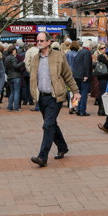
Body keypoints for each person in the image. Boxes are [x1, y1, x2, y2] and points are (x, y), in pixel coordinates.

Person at [29, 32, 80, 167]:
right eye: (37, 41)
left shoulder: (59, 56)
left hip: (55, 97)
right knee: (51, 125)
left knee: (47, 125)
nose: (38, 43)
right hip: (41, 97)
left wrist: (75, 91)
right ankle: (62, 147)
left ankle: (42, 157)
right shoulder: (35, 59)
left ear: (48, 42)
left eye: (41, 41)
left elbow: (67, 75)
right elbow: (33, 77)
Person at [3, 44, 22, 112]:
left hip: (10, 77)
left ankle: (10, 107)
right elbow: (15, 66)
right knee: (16, 92)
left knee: (12, 92)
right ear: (13, 51)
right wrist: (22, 63)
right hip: (16, 76)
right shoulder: (13, 58)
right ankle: (16, 107)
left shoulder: (7, 58)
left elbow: (6, 68)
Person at [93, 43, 108, 116]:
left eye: (105, 48)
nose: (104, 49)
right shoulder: (100, 56)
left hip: (101, 76)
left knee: (102, 92)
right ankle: (102, 109)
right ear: (98, 49)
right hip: (103, 76)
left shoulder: (102, 56)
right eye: (102, 48)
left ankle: (102, 109)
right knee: (103, 93)